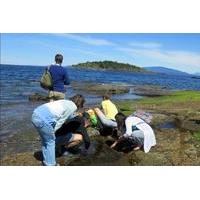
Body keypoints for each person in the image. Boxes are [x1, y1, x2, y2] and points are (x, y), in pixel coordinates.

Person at [31, 94, 85, 166]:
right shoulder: (73, 107)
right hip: (43, 120)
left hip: (35, 114)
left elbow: (61, 114)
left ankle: (46, 161)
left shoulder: (65, 101)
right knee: (50, 142)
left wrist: (75, 115)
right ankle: (51, 164)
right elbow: (60, 121)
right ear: (80, 104)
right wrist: (53, 132)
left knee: (46, 141)